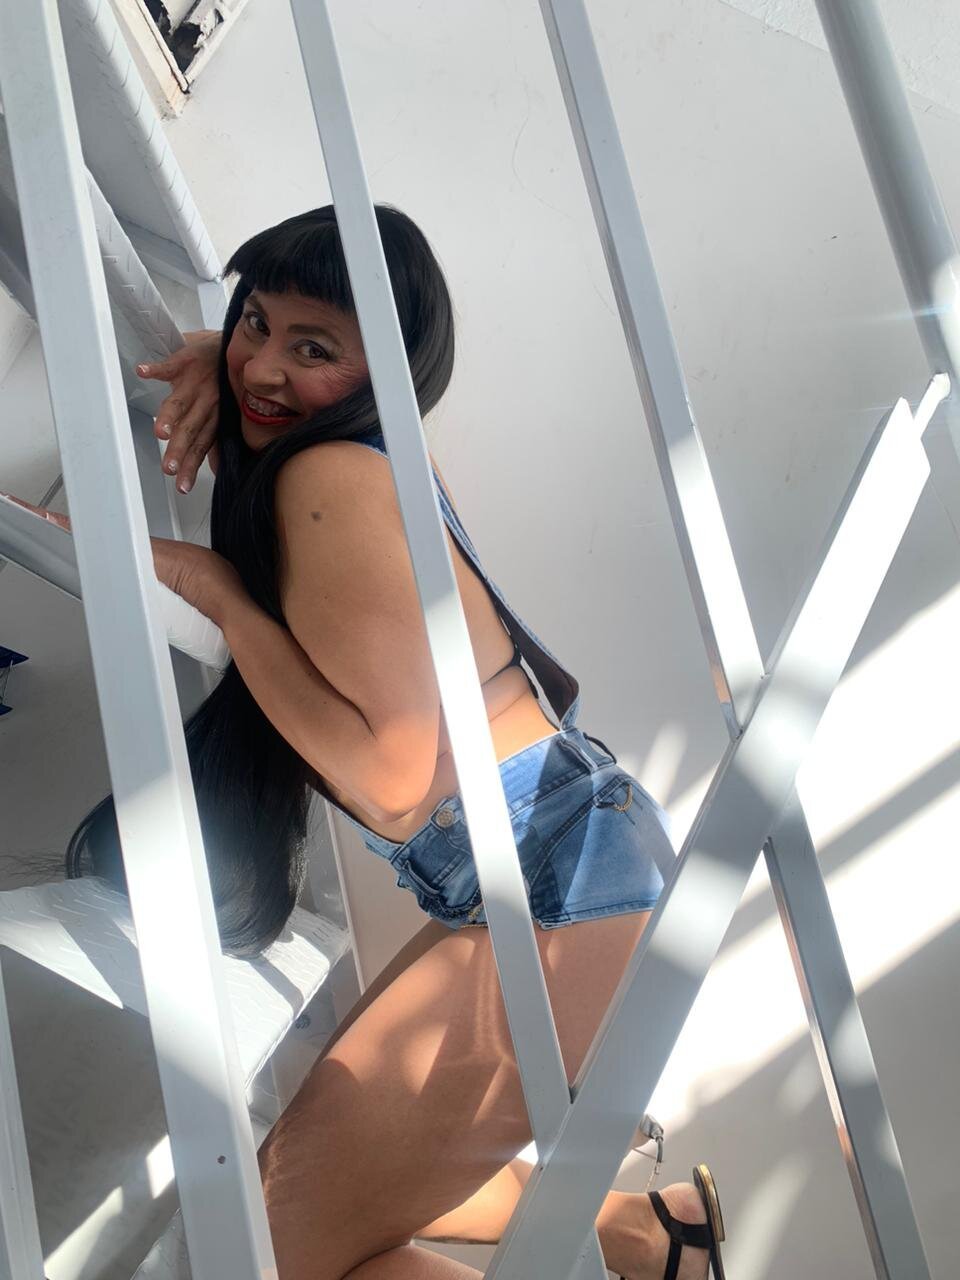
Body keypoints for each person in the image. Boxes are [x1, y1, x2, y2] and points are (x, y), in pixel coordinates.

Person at [21, 206, 727, 1280]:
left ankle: (652, 1238)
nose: (266, 364)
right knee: (295, 1209)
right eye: (256, 322)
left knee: (274, 1245)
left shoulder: (325, 483)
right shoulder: (363, 458)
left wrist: (219, 592)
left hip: (561, 889)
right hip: (570, 867)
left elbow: (392, 780)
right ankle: (650, 1235)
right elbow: (285, 372)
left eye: (314, 348)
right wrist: (226, 356)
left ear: (382, 373)